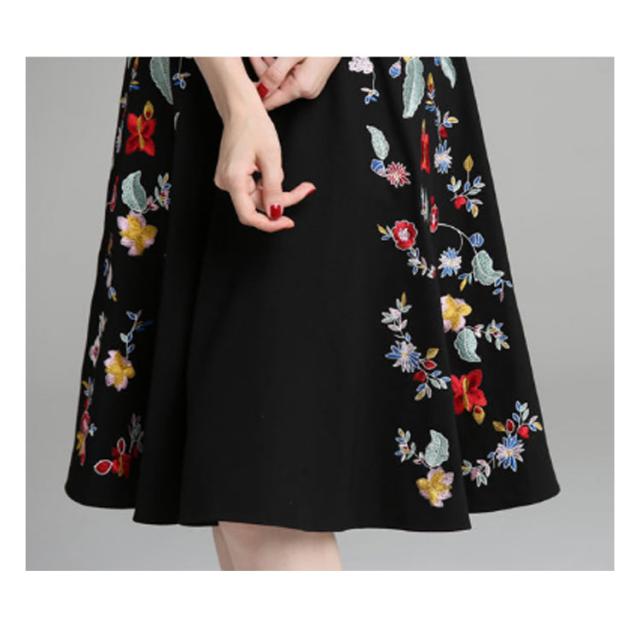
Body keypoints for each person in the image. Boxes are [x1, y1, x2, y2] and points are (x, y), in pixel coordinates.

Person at [64, 57, 560, 570]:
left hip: (341, 92)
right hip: (213, 83)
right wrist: (236, 99)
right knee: (241, 481)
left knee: (259, 486)